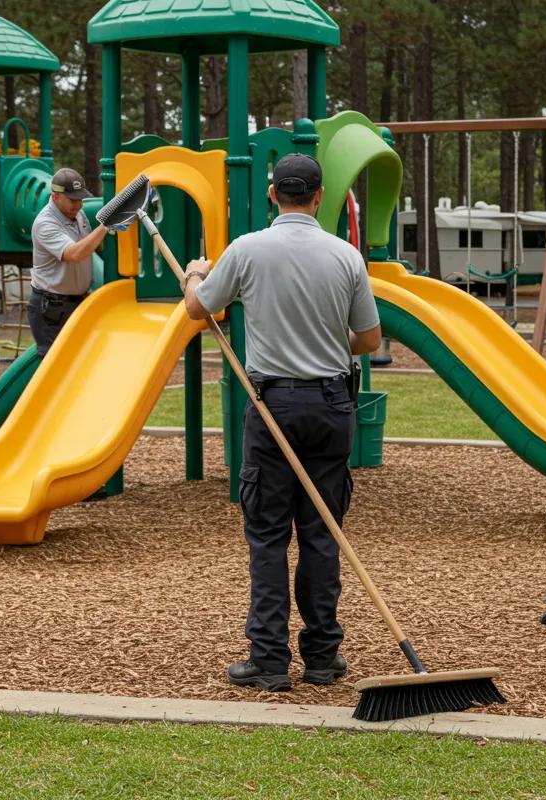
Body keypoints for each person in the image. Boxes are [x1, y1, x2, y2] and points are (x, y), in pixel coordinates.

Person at [183, 153, 382, 692]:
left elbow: (197, 311)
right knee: (321, 532)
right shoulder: (346, 257)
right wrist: (325, 347)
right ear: (319, 198)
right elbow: (369, 340)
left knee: (268, 535)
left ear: (273, 195)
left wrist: (197, 273)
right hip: (332, 405)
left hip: (271, 405)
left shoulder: (247, 249)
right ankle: (322, 657)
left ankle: (269, 660)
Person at [28, 168, 107, 357]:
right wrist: (106, 226)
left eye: (80, 199)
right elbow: (74, 254)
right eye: (73, 200)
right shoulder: (45, 223)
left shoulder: (77, 215)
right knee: (54, 366)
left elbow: (88, 246)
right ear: (55, 197)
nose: (78, 205)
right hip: (51, 309)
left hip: (74, 302)